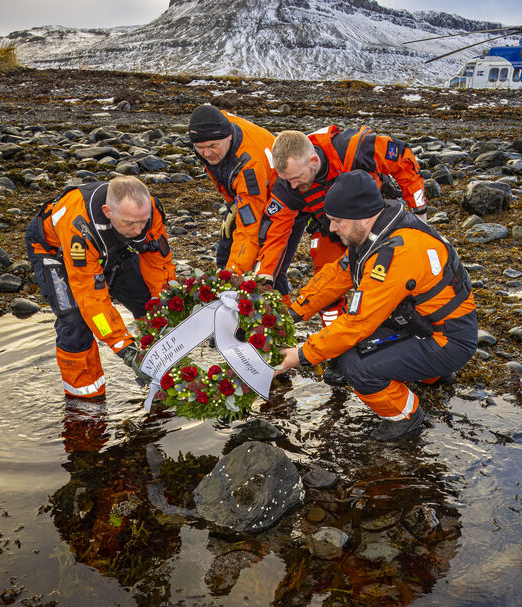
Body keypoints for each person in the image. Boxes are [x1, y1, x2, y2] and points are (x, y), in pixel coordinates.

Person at [274, 171, 476, 442]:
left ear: (362, 216)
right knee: (351, 345)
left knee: (354, 364)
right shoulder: (374, 232)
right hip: (425, 324)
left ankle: (405, 416)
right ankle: (433, 374)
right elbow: (338, 275)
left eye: (336, 222)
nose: (331, 228)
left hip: (447, 339)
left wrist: (300, 355)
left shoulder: (396, 252)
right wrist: (292, 313)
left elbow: (358, 322)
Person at [25, 176, 175, 399]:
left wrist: (165, 310)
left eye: (142, 222)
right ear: (107, 211)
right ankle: (85, 400)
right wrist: (125, 349)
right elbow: (91, 298)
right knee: (74, 321)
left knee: (147, 301)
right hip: (56, 254)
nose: (138, 231)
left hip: (112, 247)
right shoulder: (78, 226)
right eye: (130, 223)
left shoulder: (148, 211)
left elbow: (158, 264)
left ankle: (158, 370)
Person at [261, 127, 429, 315]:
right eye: (288, 180)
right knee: (325, 286)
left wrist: (418, 213)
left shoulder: (356, 148)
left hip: (378, 224)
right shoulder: (287, 183)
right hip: (331, 229)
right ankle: (331, 336)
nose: (292, 185)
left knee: (391, 282)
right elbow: (275, 232)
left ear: (313, 161)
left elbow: (403, 161)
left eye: (297, 178)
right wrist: (265, 275)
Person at [188, 104, 277, 279]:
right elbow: (218, 172)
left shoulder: (248, 167)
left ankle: (284, 305)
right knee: (225, 251)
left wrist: (232, 276)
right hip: (245, 193)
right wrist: (232, 204)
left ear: (228, 137)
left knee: (270, 267)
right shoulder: (213, 124)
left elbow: (249, 228)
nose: (206, 153)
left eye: (213, 146)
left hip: (284, 195)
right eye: (200, 147)